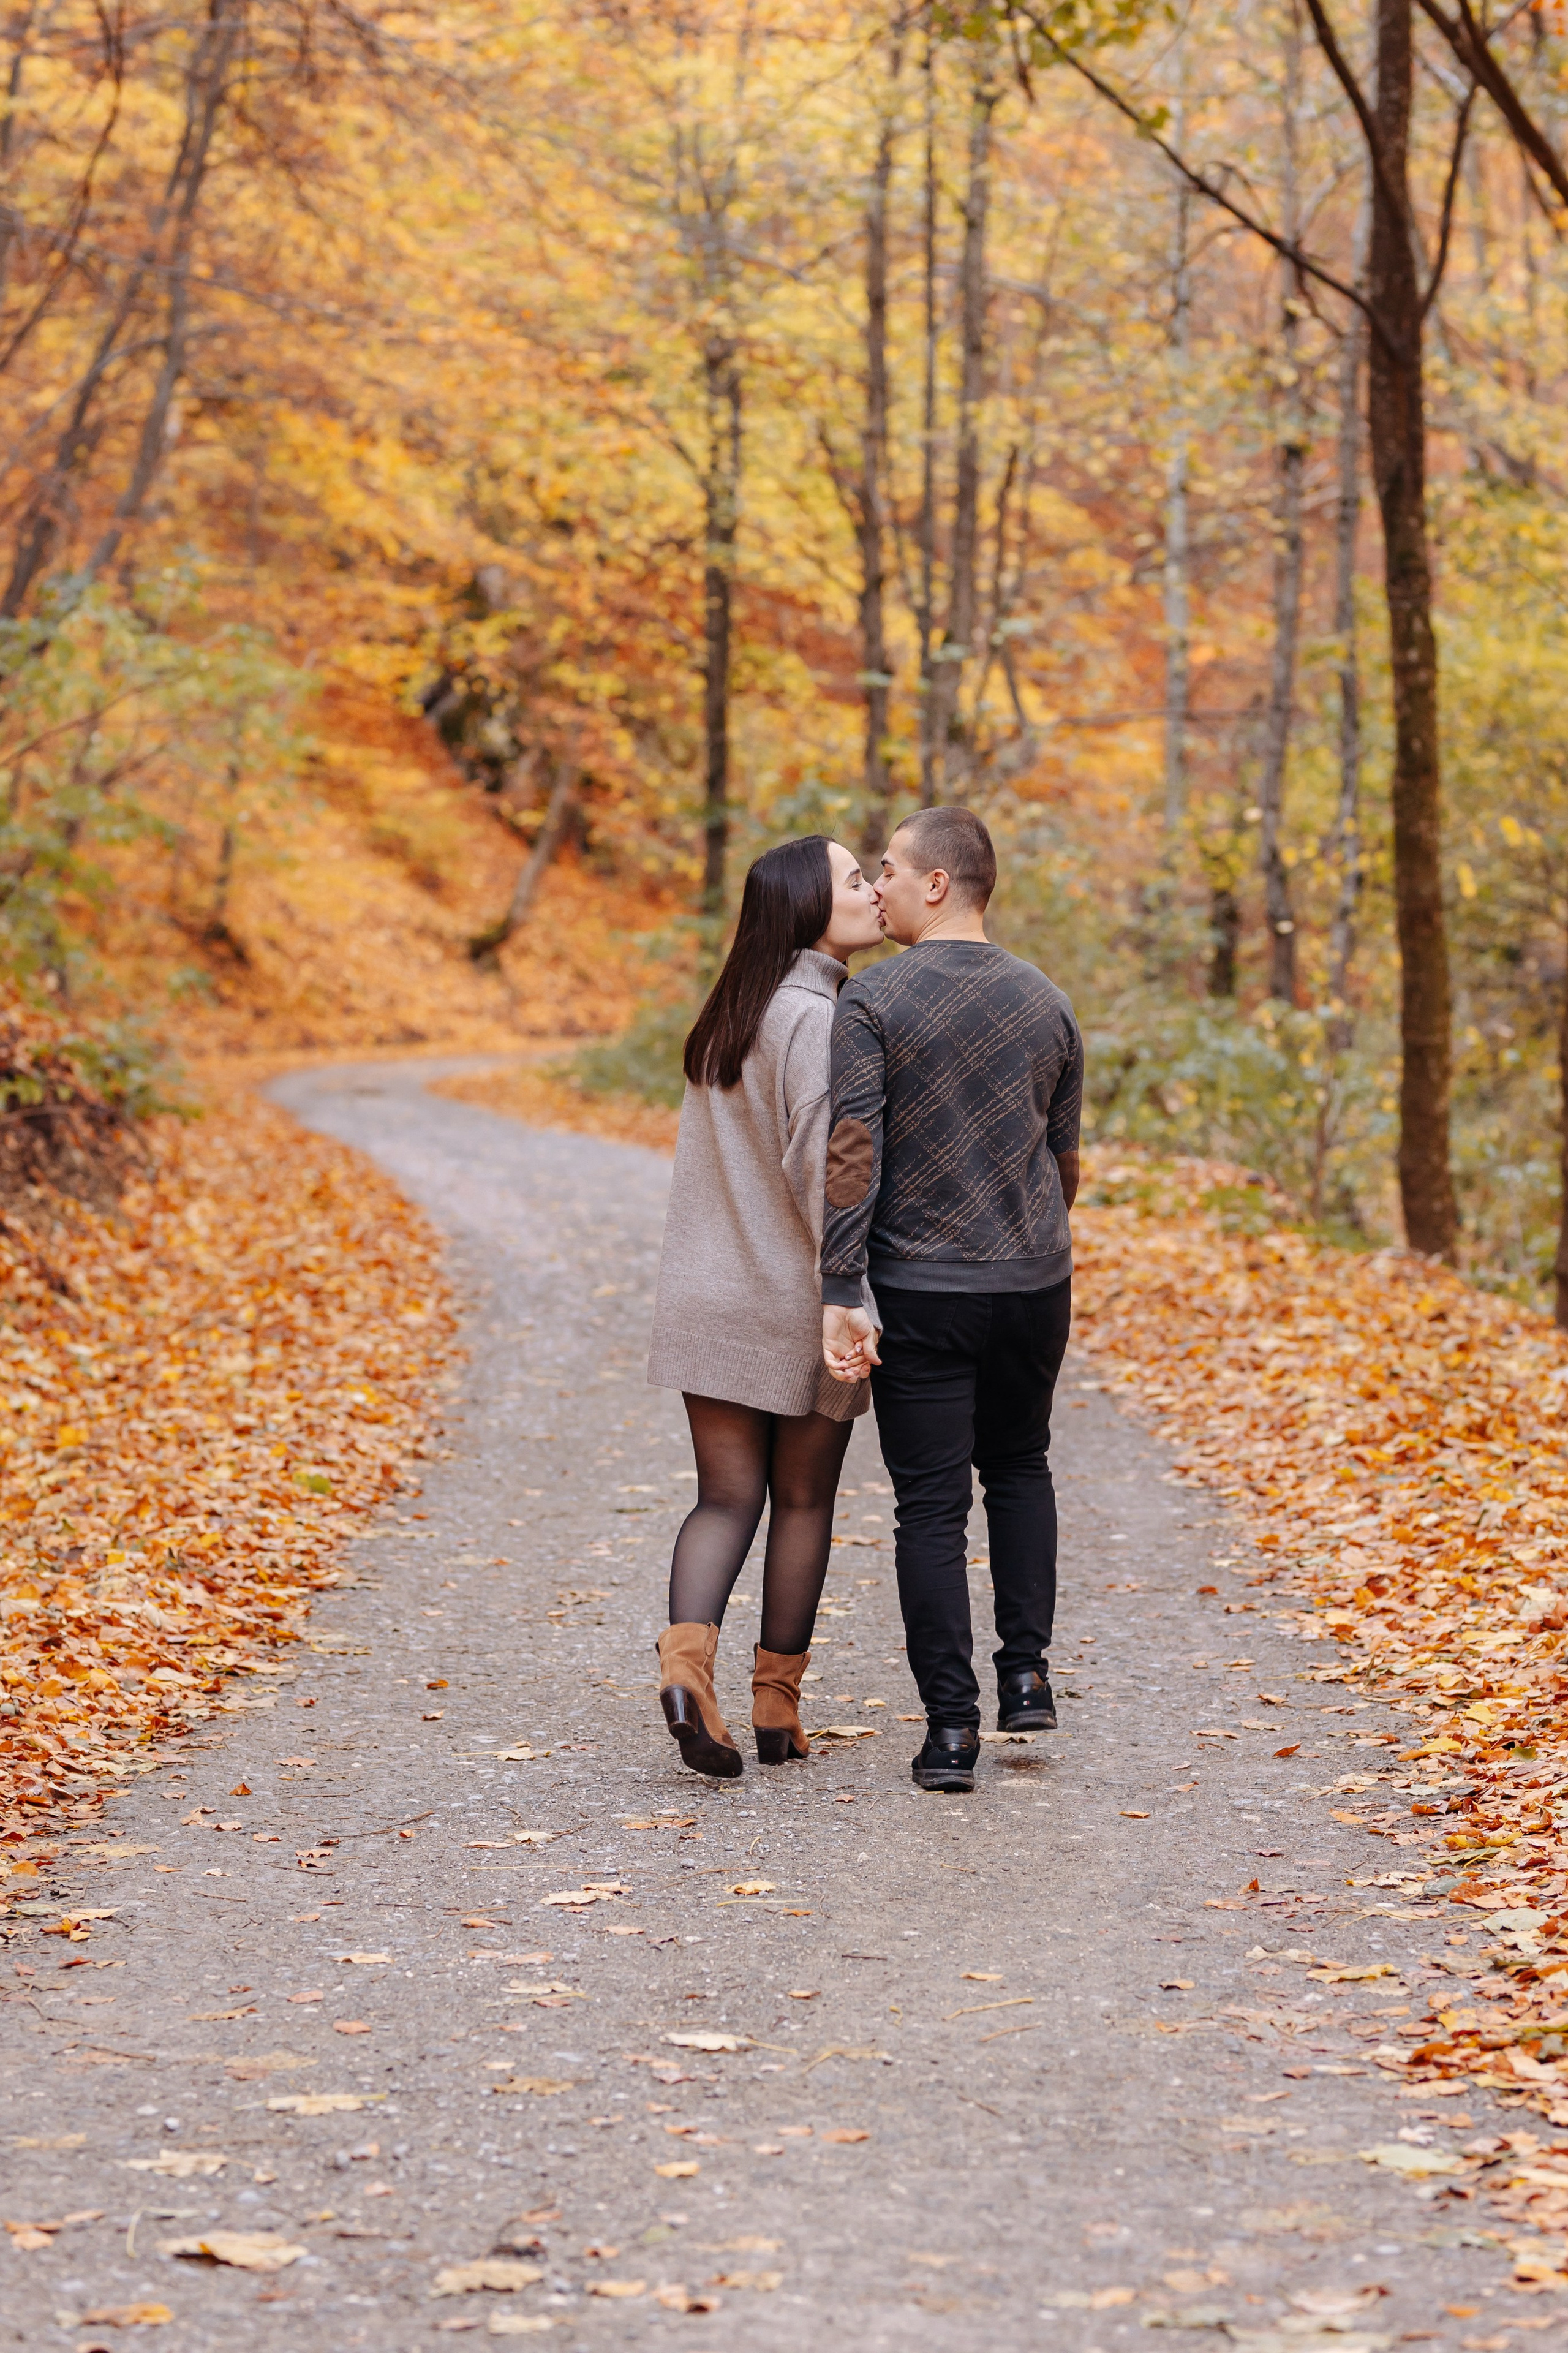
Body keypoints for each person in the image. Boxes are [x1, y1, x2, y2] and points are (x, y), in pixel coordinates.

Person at [819, 806, 1083, 1794]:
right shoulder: (1049, 1001)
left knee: (930, 1506)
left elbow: (854, 1155)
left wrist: (842, 1284)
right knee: (1020, 1466)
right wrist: (1030, 1240)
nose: (876, 886)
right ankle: (1026, 1674)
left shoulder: (876, 1003)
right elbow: (1064, 1163)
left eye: (888, 870)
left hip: (923, 1287)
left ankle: (952, 1732)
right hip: (1032, 1284)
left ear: (938, 884)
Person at [646, 834, 883, 1778]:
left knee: (723, 1496)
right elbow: (829, 1168)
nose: (873, 889)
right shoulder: (818, 1020)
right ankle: (777, 1707)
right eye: (855, 879)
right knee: (803, 1498)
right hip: (795, 1301)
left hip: (706, 1296)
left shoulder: (730, 1013)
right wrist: (852, 1291)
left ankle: (684, 1671)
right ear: (805, 906)